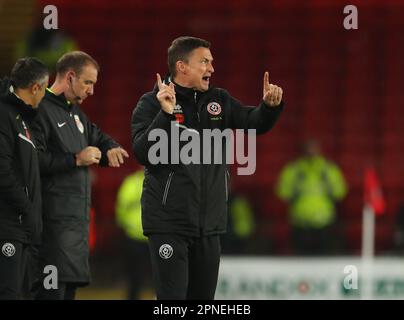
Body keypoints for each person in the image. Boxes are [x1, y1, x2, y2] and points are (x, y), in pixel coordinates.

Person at [131, 36, 284, 299]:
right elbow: (144, 153)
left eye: (211, 62)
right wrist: (165, 115)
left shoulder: (219, 100)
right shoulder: (151, 103)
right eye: (204, 62)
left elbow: (252, 121)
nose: (212, 69)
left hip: (209, 225)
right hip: (169, 224)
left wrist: (269, 108)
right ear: (182, 66)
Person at [31, 51, 129, 300]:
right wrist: (75, 159)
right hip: (50, 228)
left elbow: (98, 136)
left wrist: (112, 148)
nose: (91, 91)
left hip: (75, 229)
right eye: (88, 82)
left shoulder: (76, 114)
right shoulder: (39, 110)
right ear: (70, 76)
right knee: (49, 294)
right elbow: (32, 162)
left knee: (68, 293)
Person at [0, 57, 49, 299]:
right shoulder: (5, 115)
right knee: (8, 292)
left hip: (20, 228)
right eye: (45, 88)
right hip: (8, 226)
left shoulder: (23, 118)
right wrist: (27, 208)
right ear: (35, 87)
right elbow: (2, 171)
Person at [275, 139, 348, 255]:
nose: (311, 152)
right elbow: (283, 193)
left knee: (323, 262)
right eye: (309, 148)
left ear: (320, 150)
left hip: (324, 221)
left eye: (314, 148)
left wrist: (328, 183)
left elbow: (340, 193)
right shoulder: (294, 169)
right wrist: (295, 186)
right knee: (301, 261)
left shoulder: (328, 169)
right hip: (300, 222)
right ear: (303, 150)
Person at [115, 169, 154, 299]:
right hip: (155, 236)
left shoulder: (131, 182)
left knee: (135, 276)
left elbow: (121, 206)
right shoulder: (162, 181)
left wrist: (123, 224)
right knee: (161, 277)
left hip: (134, 236)